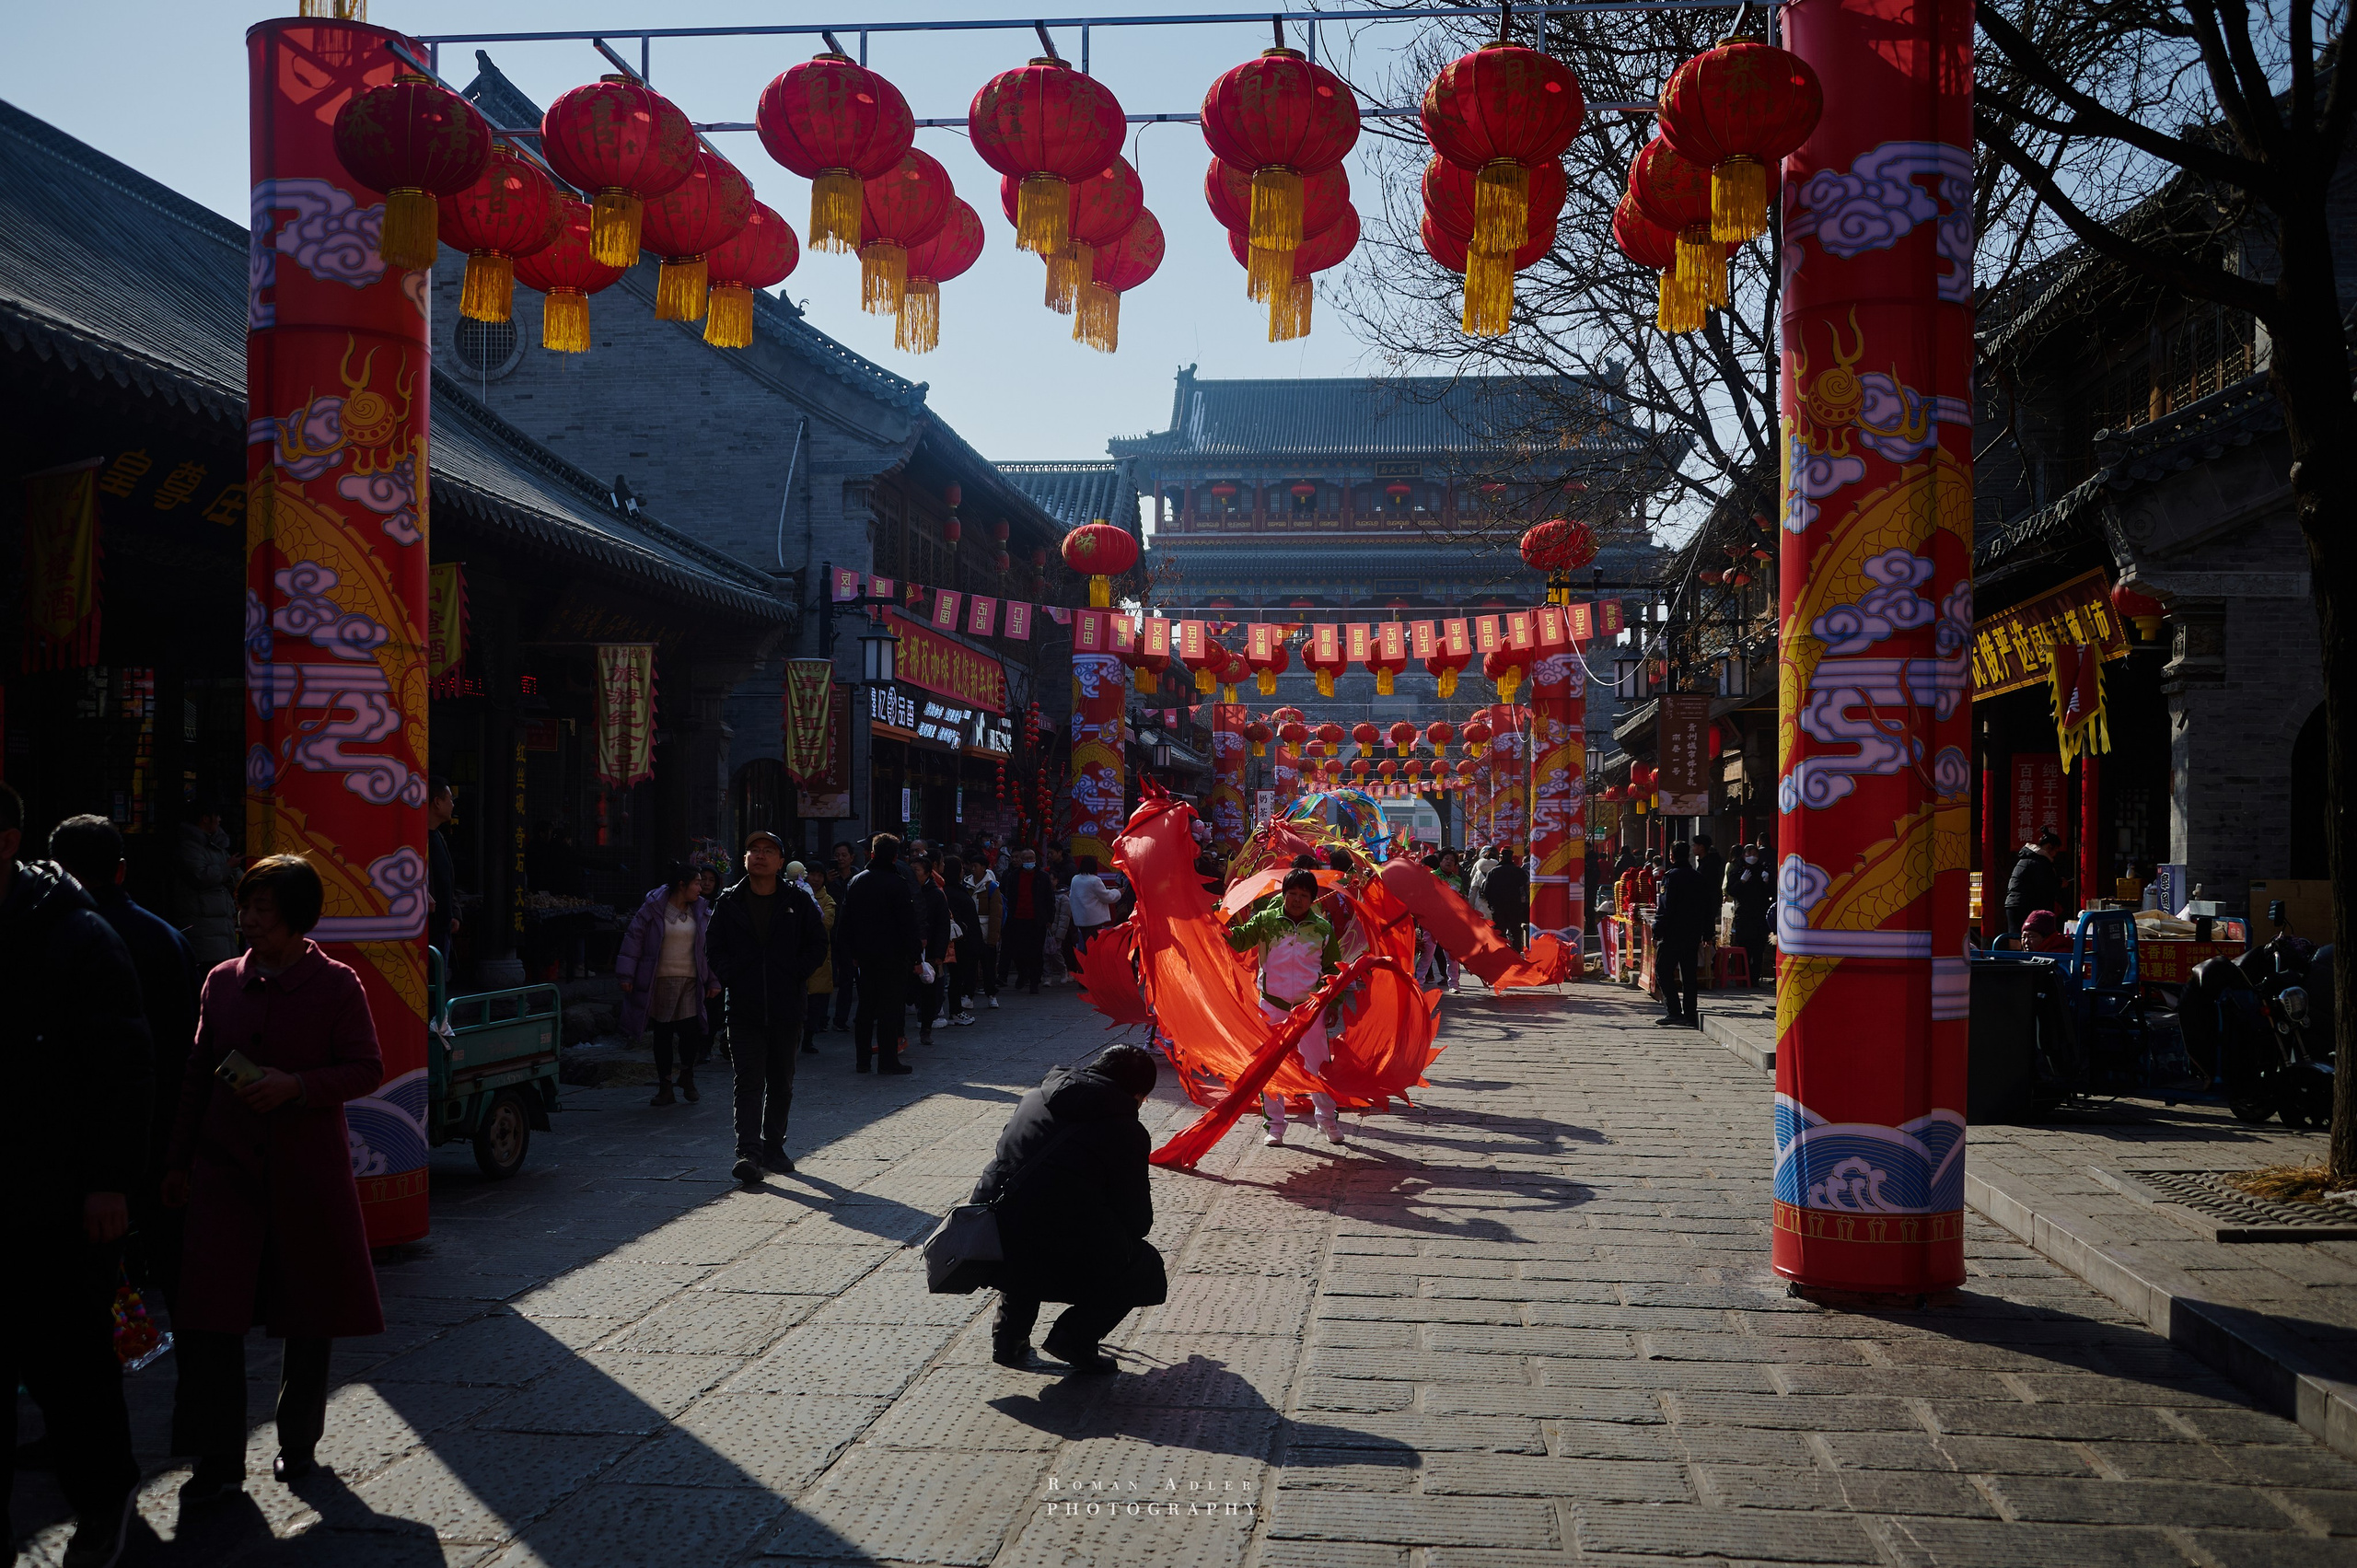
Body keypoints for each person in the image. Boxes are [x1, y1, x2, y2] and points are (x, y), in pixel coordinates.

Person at [166, 854, 381, 1504]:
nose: (249, 921)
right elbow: (198, 1073)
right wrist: (177, 1162)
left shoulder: (338, 984)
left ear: (295, 919)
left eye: (263, 910)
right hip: (225, 1170)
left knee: (307, 1314)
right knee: (211, 1315)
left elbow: (365, 1068)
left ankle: (298, 1443)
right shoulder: (221, 982)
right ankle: (217, 1452)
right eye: (246, 907)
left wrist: (298, 1086)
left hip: (304, 1172)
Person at [2, 785, 151, 1565]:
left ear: (6, 841)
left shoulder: (78, 936)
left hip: (58, 1193)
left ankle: (104, 1497)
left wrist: (109, 1180)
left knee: (68, 1364)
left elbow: (120, 1070)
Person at [51, 815, 200, 1303]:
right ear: (120, 871)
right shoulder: (166, 939)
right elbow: (185, 1044)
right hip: (159, 1130)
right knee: (177, 1271)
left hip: (73, 1141)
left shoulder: (48, 938)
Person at [974, 1043, 1167, 1374]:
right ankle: (1073, 1337)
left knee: (1027, 1219)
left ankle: (1009, 1337)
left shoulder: (1034, 1097)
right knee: (1144, 1266)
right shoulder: (1126, 1131)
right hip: (1053, 1251)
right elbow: (1137, 1220)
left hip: (989, 1238)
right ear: (1136, 1093)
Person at [705, 830, 830, 1185]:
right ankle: (748, 1152)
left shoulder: (797, 901)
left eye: (768, 851)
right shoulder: (729, 902)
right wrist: (733, 976)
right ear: (745, 859)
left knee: (781, 1080)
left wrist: (795, 973)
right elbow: (713, 947)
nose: (759, 856)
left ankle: (774, 1146)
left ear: (780, 862)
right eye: (753, 851)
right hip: (743, 1006)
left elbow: (817, 943)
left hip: (786, 1005)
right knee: (747, 1080)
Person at [1226, 867, 1346, 1147]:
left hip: (1310, 1011)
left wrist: (1333, 1004)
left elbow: (1333, 970)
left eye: (1303, 895)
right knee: (1270, 1068)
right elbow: (1240, 939)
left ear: (1312, 899)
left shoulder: (1322, 929)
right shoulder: (1267, 921)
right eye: (1292, 893)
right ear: (1283, 894)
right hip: (1272, 1006)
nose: (1296, 899)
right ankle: (1276, 1127)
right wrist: (1220, 921)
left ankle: (1327, 1119)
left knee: (1318, 1066)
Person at [616, 863, 716, 1106]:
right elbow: (633, 940)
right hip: (660, 980)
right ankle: (665, 1085)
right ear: (682, 885)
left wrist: (713, 979)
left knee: (690, 1032)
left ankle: (687, 1076)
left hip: (691, 980)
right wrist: (626, 976)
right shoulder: (653, 907)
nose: (700, 887)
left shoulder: (701, 910)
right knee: (663, 1033)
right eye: (696, 882)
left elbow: (709, 948)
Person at [840, 834, 921, 1074]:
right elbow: (908, 924)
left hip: (864, 956)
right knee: (889, 1009)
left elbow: (846, 922)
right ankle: (887, 1060)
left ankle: (862, 1061)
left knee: (865, 1008)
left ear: (872, 854)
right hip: (893, 956)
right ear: (895, 857)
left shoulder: (856, 881)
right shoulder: (898, 883)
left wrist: (850, 952)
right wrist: (915, 955)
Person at [175, 799, 240, 973]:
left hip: (220, 924)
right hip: (203, 927)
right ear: (205, 818)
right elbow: (201, 876)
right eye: (216, 816)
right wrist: (227, 867)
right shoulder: (189, 846)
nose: (219, 820)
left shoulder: (217, 846)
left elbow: (236, 876)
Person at [1651, 842, 1708, 1028]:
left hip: (1673, 933)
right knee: (1689, 975)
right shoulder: (1698, 878)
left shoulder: (1671, 877)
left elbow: (1665, 908)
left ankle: (1674, 1011)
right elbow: (1706, 908)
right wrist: (1707, 933)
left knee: (1662, 970)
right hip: (1692, 934)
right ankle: (1690, 1013)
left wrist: (1657, 931)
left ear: (1671, 856)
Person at [911, 850, 954, 1042]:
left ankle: (926, 1028)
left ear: (928, 873)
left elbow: (943, 926)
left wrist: (938, 953)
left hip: (929, 950)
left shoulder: (936, 894)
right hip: (910, 948)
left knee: (929, 990)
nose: (913, 873)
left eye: (917, 870)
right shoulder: (907, 891)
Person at [795, 861, 836, 1051]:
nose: (816, 879)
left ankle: (808, 1038)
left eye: (820, 876)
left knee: (815, 1003)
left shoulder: (827, 900)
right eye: (812, 875)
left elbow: (826, 922)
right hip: (798, 954)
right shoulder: (794, 893)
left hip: (818, 957)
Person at [1001, 848, 1052, 994]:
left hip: (1037, 920)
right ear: (1021, 861)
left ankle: (1034, 981)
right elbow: (1008, 896)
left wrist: (1049, 918)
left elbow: (1049, 899)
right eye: (1026, 859)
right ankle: (1023, 974)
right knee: (1018, 951)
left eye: (1032, 858)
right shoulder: (1013, 877)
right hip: (1018, 919)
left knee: (1036, 952)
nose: (1029, 861)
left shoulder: (1042, 877)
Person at [1724, 841, 1774, 988]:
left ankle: (1754, 977)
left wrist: (1767, 882)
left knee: (1758, 948)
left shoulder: (1763, 870)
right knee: (1744, 946)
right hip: (1744, 915)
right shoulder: (1738, 871)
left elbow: (1771, 892)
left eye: (1755, 854)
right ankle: (1742, 977)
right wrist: (1741, 882)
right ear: (1743, 855)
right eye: (1749, 854)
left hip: (1759, 914)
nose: (1752, 857)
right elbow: (1731, 890)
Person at [2004, 826, 2067, 943]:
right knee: (2029, 938)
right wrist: (2059, 883)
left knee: (2017, 939)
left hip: (2015, 904)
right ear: (2049, 847)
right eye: (2056, 851)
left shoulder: (2028, 858)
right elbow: (2046, 885)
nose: (2055, 855)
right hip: (2026, 906)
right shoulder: (2040, 861)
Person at [942, 854, 982, 1027]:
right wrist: (964, 928)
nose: (963, 871)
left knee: (960, 976)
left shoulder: (958, 888)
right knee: (957, 977)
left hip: (967, 939)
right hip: (960, 941)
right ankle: (955, 1011)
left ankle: (956, 1010)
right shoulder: (949, 891)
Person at [826, 842, 861, 1032]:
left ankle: (842, 1018)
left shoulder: (858, 878)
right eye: (837, 855)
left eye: (843, 855)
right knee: (827, 977)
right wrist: (826, 883)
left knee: (849, 977)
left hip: (850, 935)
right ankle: (823, 1018)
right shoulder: (829, 879)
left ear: (851, 857)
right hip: (831, 934)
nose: (840, 859)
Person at [425, 775, 459, 966]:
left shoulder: (439, 837)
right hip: (428, 928)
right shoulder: (417, 836)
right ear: (437, 802)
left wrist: (454, 913)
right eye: (450, 800)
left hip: (443, 926)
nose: (453, 805)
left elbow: (447, 881)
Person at [1066, 854, 1115, 964]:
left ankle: (1084, 971)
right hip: (1094, 919)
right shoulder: (1094, 881)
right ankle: (1088, 971)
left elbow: (1072, 897)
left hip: (1081, 919)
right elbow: (1107, 896)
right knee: (1091, 946)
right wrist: (1118, 893)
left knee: (1085, 943)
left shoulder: (1075, 879)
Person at [970, 854, 1004, 1010]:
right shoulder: (966, 885)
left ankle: (991, 995)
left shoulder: (991, 887)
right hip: (971, 932)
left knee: (988, 967)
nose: (973, 869)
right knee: (970, 967)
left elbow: (996, 915)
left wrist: (993, 938)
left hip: (986, 931)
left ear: (984, 868)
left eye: (976, 866)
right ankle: (968, 995)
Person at [1485, 846, 1530, 950]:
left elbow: (1487, 890)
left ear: (1500, 857)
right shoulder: (1518, 871)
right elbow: (1524, 884)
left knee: (1499, 933)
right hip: (1515, 906)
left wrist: (1491, 905)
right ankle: (1516, 955)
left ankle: (1501, 954)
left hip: (1497, 907)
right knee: (1515, 933)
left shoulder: (1493, 872)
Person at [1693, 833, 1725, 925]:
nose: (1693, 848)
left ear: (1701, 847)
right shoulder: (1706, 863)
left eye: (1695, 845)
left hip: (1707, 902)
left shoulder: (1709, 865)